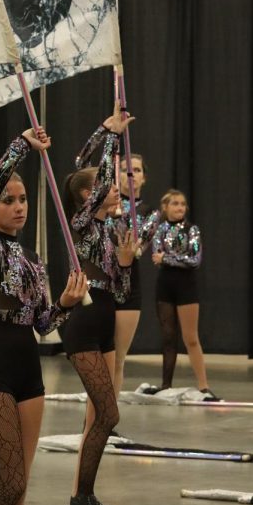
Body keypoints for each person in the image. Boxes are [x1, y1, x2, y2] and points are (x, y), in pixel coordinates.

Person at [0, 126, 88, 505]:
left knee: (21, 489)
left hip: (28, 373)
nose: (18, 207)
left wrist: (67, 305)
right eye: (8, 200)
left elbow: (40, 325)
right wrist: (21, 146)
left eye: (22, 200)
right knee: (8, 485)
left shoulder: (31, 261)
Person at [60, 101, 136, 505]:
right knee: (107, 412)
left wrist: (125, 264)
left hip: (106, 318)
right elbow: (105, 173)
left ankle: (84, 492)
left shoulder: (110, 228)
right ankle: (81, 493)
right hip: (85, 325)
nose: (117, 188)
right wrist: (109, 133)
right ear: (89, 197)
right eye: (107, 186)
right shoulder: (82, 224)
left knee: (102, 416)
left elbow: (121, 291)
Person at [151, 189, 219, 399]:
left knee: (190, 337)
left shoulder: (192, 230)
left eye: (182, 204)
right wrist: (172, 258)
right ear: (165, 207)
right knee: (168, 337)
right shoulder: (159, 229)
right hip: (165, 285)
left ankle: (203, 385)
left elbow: (195, 260)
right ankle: (165, 385)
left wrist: (168, 258)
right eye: (175, 204)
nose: (180, 207)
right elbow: (155, 256)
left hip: (186, 285)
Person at [111, 154, 160, 396]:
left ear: (144, 177)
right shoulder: (106, 205)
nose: (130, 174)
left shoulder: (151, 212)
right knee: (101, 359)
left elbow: (137, 249)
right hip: (103, 283)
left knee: (118, 359)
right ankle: (93, 418)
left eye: (136, 170)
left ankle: (108, 419)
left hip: (129, 286)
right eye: (124, 169)